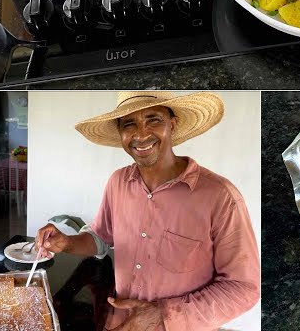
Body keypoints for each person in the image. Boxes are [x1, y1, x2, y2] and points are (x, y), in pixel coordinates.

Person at [34, 92, 260, 331]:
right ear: (120, 133)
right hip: (120, 320)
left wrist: (163, 315)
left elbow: (243, 288)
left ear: (172, 125)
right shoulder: (118, 181)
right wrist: (66, 242)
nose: (141, 135)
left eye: (153, 120)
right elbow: (101, 237)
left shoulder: (220, 196)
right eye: (129, 124)